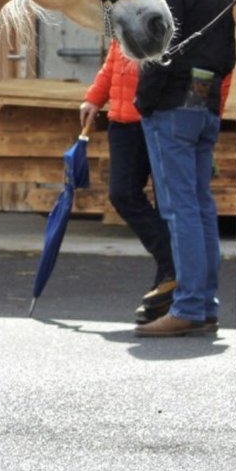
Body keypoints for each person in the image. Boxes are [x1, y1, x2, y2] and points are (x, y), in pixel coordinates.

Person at [133, 0, 236, 337]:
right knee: (200, 206)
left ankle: (190, 305)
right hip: (204, 106)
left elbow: (158, 52)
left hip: (171, 109)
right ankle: (204, 301)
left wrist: (145, 101)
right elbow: (228, 53)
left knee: (179, 210)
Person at [80, 39, 176, 324]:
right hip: (122, 120)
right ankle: (173, 264)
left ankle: (163, 296)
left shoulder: (166, 3)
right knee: (122, 194)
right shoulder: (128, 3)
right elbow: (114, 59)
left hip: (156, 117)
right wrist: (95, 97)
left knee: (166, 205)